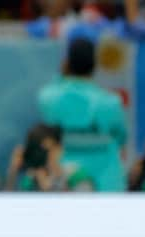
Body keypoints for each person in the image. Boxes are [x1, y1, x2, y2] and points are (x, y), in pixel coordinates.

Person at [38, 37, 127, 191]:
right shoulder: (111, 102)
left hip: (64, 181)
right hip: (106, 184)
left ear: (66, 64)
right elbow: (121, 138)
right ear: (94, 65)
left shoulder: (48, 98)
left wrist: (63, 75)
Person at [6, 123, 95, 191]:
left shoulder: (76, 176)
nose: (43, 155)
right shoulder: (30, 180)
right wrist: (12, 173)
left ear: (60, 149)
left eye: (47, 150)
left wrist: (50, 189)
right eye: (38, 150)